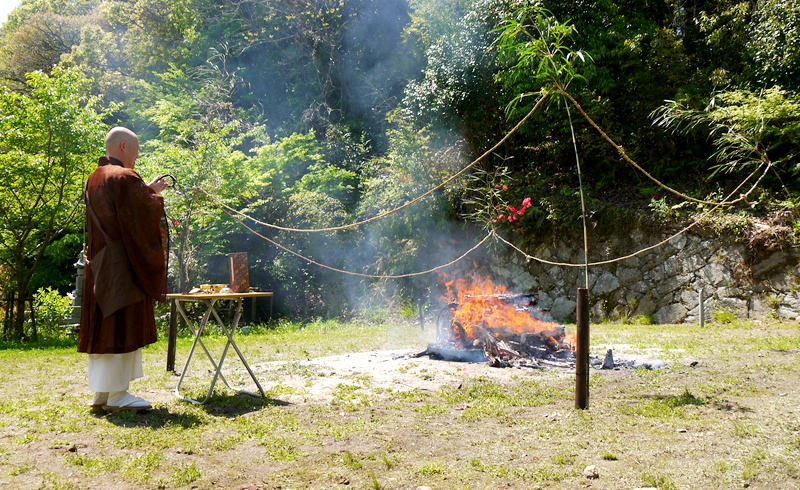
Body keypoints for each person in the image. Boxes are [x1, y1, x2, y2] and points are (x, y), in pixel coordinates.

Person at [78, 127, 169, 413]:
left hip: (99, 263)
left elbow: (121, 211)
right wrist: (152, 197)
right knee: (121, 323)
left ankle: (102, 393)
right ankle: (118, 395)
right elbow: (138, 218)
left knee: (103, 326)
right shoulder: (124, 177)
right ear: (123, 146)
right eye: (136, 151)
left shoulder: (94, 178)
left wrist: (147, 191)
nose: (137, 157)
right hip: (122, 265)